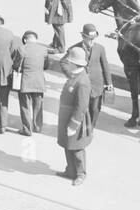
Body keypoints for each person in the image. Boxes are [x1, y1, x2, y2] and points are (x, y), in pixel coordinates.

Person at [55, 46, 93, 186]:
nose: (67, 63)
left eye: (69, 61)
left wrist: (73, 124)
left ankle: (80, 174)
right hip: (66, 116)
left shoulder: (82, 81)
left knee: (76, 148)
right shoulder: (75, 75)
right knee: (67, 144)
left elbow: (81, 107)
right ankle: (70, 171)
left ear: (74, 63)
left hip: (75, 119)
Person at [69, 23, 114, 126]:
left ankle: (90, 127)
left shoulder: (100, 48)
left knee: (95, 108)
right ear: (83, 37)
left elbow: (105, 66)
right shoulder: (74, 49)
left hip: (97, 84)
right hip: (81, 85)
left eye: (93, 39)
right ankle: (80, 128)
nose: (91, 41)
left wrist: (109, 82)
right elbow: (68, 65)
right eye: (89, 39)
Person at [13, 30, 49, 135]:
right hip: (39, 81)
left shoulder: (22, 49)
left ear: (25, 39)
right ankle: (37, 127)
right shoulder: (43, 49)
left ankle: (27, 129)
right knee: (38, 105)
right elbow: (46, 66)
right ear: (36, 39)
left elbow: (16, 65)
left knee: (25, 105)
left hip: (25, 81)